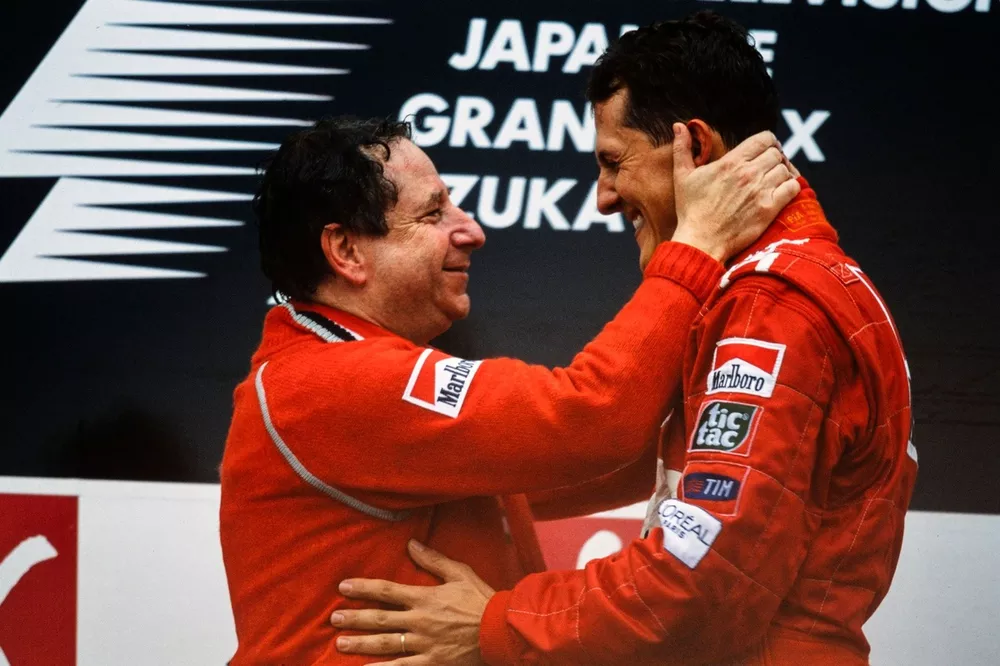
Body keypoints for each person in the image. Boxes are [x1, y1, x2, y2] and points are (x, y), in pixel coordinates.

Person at [330, 11, 917, 666]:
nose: (604, 197)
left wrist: (496, 623)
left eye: (614, 163)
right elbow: (634, 462)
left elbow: (701, 589)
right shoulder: (794, 282)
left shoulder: (771, 304)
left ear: (695, 146)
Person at [218, 109, 798, 662]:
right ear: (346, 250)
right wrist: (697, 245)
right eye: (433, 214)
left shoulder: (333, 376)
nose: (472, 230)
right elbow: (592, 419)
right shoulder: (328, 382)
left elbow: (608, 457)